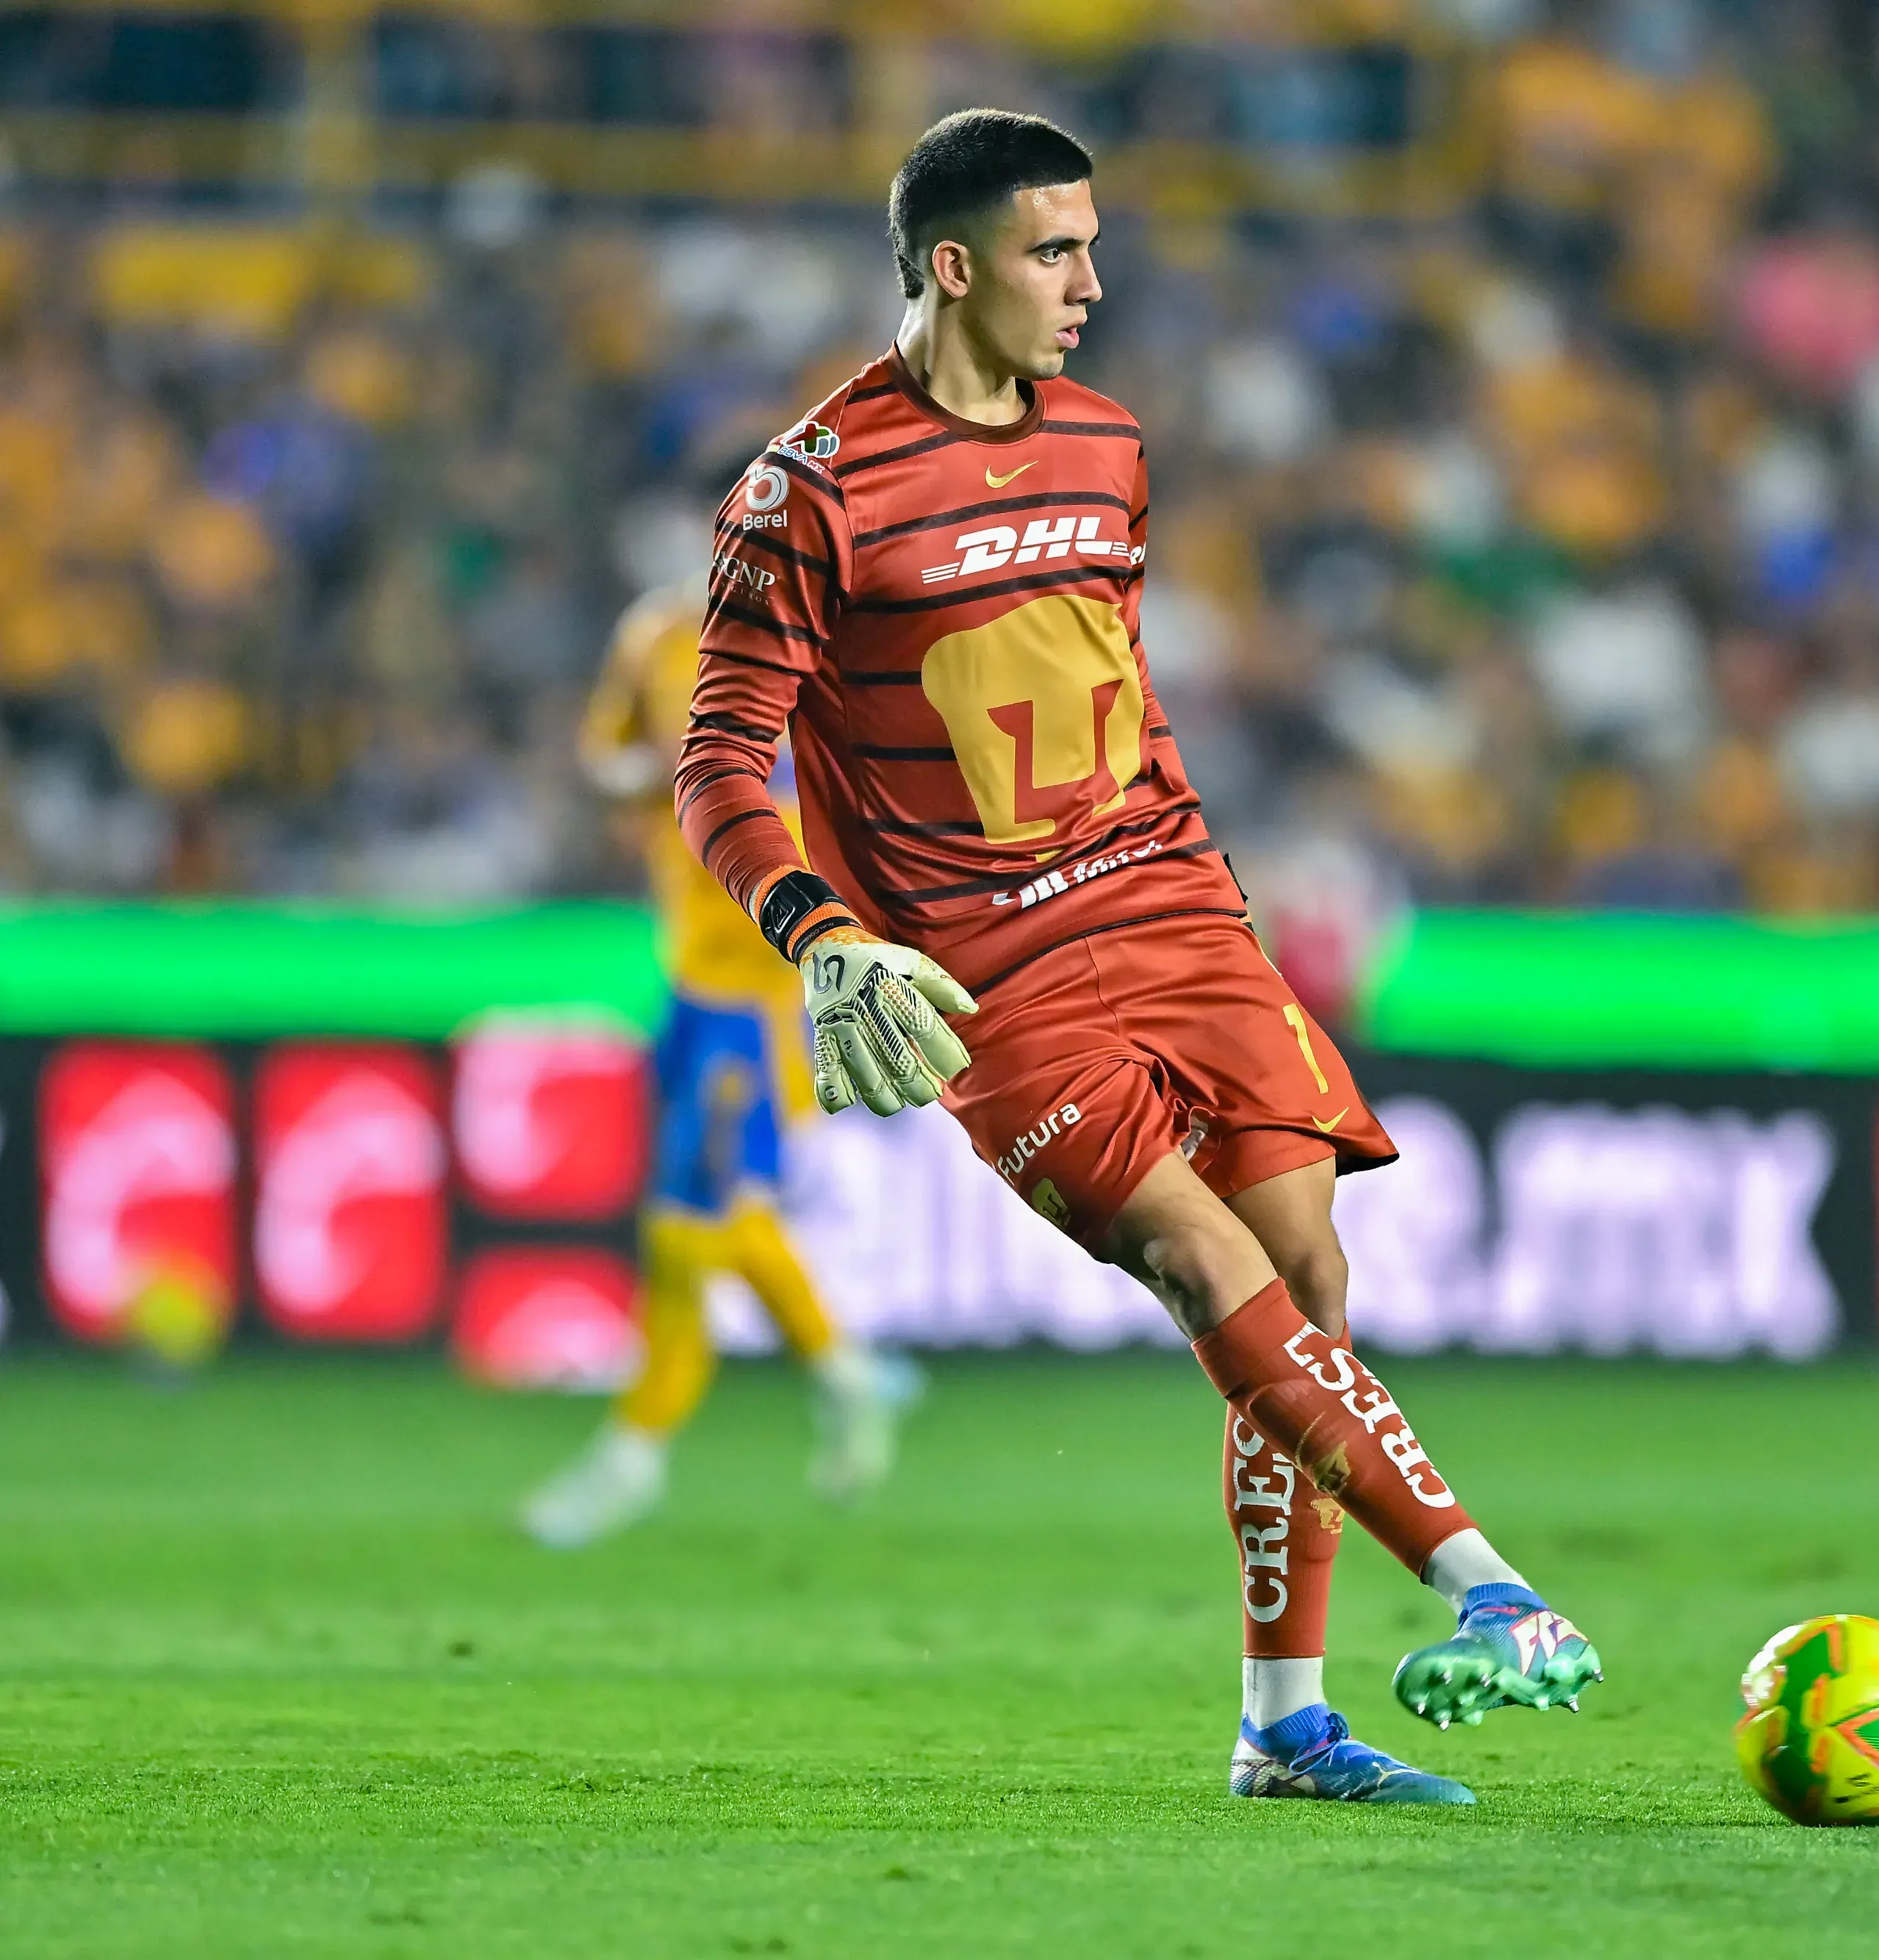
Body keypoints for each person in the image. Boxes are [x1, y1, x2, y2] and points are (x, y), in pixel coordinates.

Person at [669, 109, 1602, 1805]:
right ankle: (1491, 1585)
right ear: (952, 268)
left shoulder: (1105, 444)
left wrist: (1205, 883)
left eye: (1093, 245)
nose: (1093, 281)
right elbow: (721, 755)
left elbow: (1109, 669)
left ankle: (1285, 1724)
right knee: (1193, 1259)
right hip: (989, 970)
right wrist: (818, 937)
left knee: (1306, 1283)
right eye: (1055, 251)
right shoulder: (806, 492)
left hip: (1170, 906)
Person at [520, 567, 922, 1549]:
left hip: (769, 982)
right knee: (705, 1224)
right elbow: (606, 760)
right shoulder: (654, 635)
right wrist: (654, 775)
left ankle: (644, 1448)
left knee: (689, 1226)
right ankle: (836, 1377)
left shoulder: (831, 648)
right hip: (691, 973)